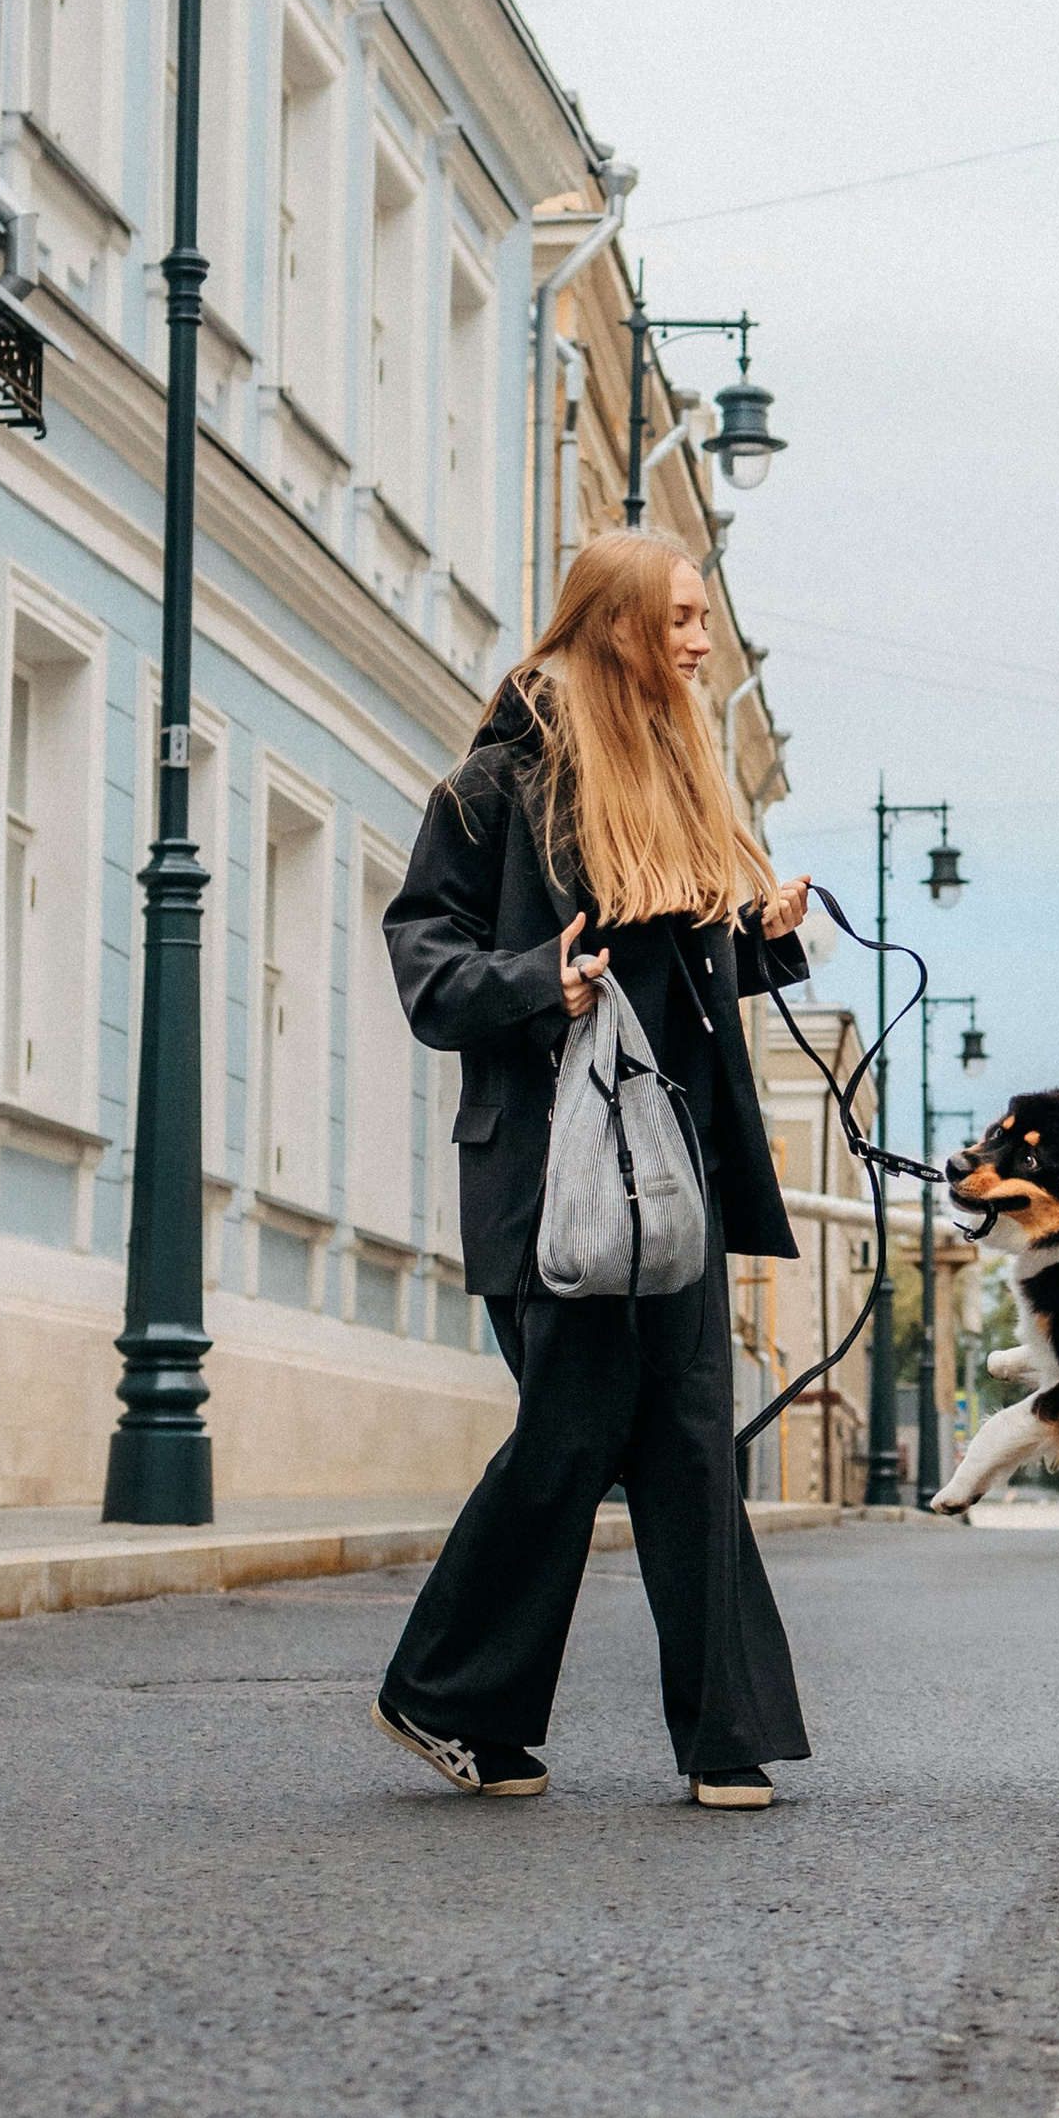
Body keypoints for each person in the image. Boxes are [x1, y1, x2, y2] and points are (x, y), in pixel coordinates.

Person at [373, 529, 816, 1810]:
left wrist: (757, 938)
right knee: (569, 1437)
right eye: (679, 616)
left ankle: (725, 1735)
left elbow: (684, 992)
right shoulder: (494, 790)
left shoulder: (671, 781)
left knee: (687, 1441)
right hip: (550, 1182)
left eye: (702, 617)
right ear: (616, 623)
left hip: (673, 1181)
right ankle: (449, 1695)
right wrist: (535, 982)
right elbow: (425, 961)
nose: (700, 640)